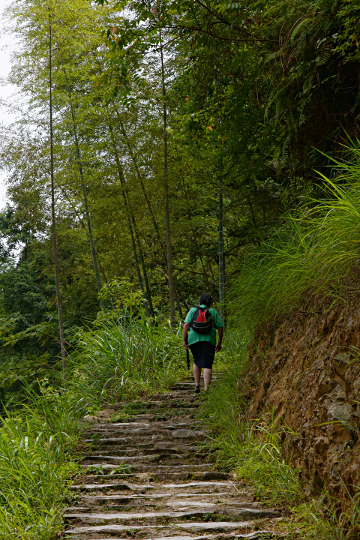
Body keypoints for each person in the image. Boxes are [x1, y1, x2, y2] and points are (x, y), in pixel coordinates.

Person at [183, 294, 224, 393]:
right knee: (207, 363)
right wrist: (219, 342)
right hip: (209, 340)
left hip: (193, 340)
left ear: (200, 302)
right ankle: (206, 389)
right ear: (210, 302)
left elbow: (186, 325)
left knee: (197, 360)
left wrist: (184, 340)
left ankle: (197, 385)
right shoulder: (213, 311)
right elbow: (220, 327)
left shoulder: (193, 310)